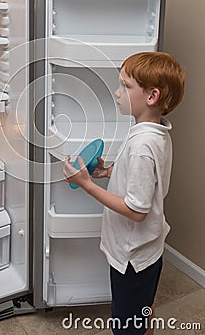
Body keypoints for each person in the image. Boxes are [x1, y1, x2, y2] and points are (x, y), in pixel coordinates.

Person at [63, 52, 185, 335]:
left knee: (126, 325)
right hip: (148, 250)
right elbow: (145, 178)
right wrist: (110, 172)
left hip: (132, 256)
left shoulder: (142, 145)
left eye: (125, 86)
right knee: (143, 311)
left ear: (152, 96)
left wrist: (87, 184)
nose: (117, 93)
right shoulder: (154, 132)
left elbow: (137, 210)